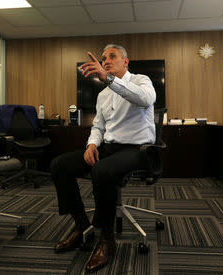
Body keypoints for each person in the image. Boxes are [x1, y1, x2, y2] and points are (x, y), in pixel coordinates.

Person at [51, 44, 156, 272]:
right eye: (104, 58)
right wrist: (90, 145)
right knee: (60, 165)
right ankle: (80, 226)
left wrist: (109, 79)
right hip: (109, 148)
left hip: (138, 150)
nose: (106, 61)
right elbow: (98, 126)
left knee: (102, 171)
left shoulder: (141, 81)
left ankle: (107, 239)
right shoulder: (103, 95)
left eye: (112, 57)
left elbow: (146, 99)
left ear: (126, 61)